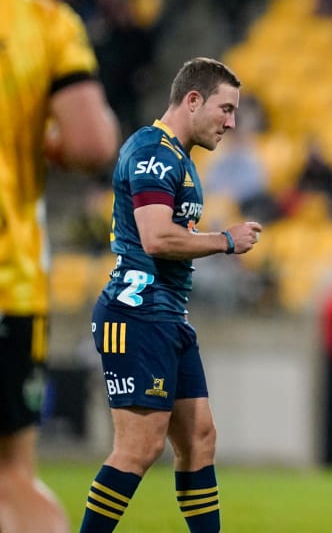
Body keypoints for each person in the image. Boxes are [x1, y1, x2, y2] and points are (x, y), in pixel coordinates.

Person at [77, 58, 262, 533]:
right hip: (137, 312)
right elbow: (157, 238)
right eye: (225, 109)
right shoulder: (152, 152)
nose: (231, 122)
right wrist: (225, 240)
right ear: (193, 100)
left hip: (167, 315)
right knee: (138, 448)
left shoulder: (179, 158)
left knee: (199, 439)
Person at [0, 0, 121, 533]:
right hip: (6, 278)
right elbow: (93, 144)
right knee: (9, 475)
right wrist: (36, 141)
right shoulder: (38, 21)